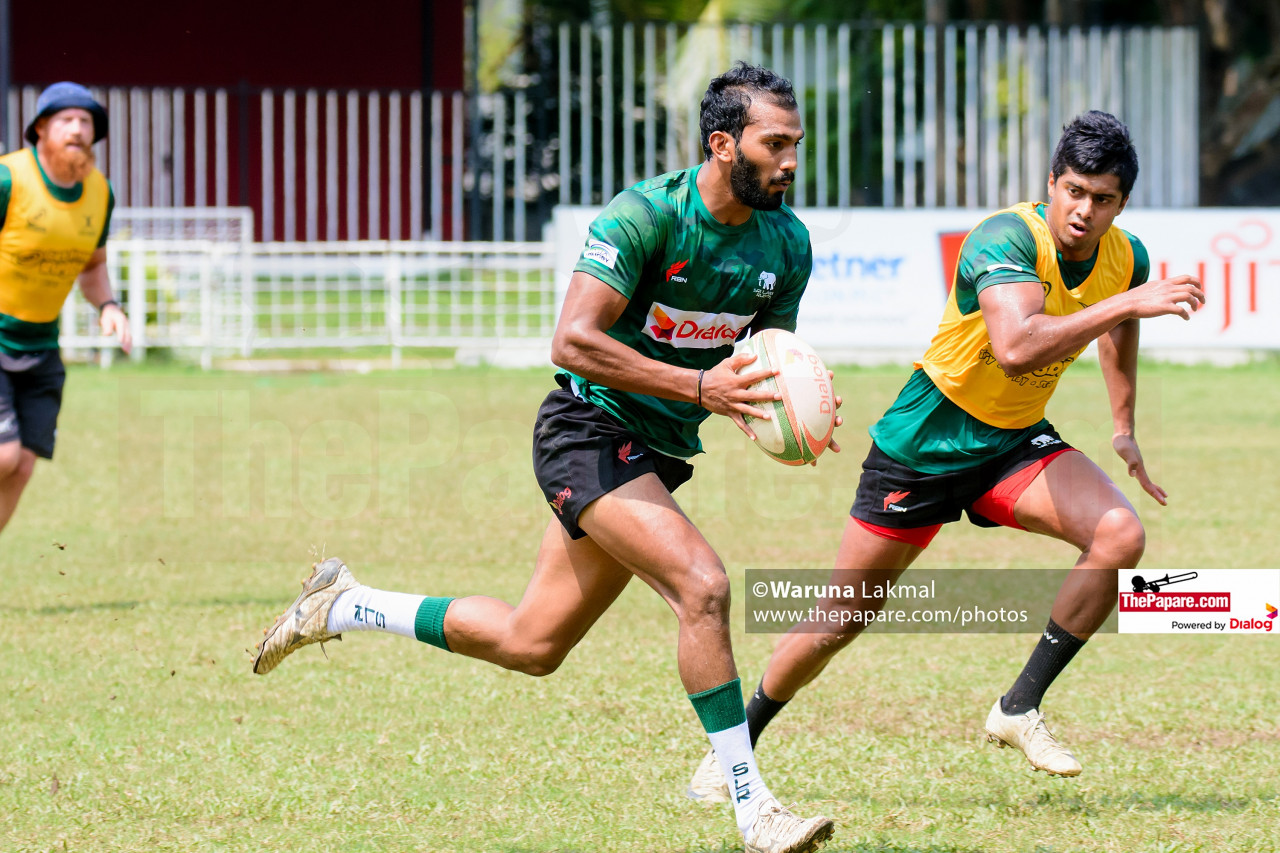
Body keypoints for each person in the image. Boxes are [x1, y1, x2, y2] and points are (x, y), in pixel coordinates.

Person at [253, 62, 837, 853]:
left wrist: (793, 412)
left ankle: (344, 603)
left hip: (654, 452)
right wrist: (700, 384)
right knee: (702, 585)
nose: (791, 160)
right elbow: (572, 340)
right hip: (585, 431)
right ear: (723, 142)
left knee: (533, 643)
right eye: (776, 144)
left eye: (797, 143)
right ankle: (751, 807)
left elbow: (766, 355)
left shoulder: (787, 243)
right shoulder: (645, 216)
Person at [687, 110, 1204, 802]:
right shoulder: (1003, 238)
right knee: (839, 621)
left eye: (1102, 198)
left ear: (1122, 203)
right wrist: (1128, 304)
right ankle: (733, 749)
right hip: (922, 448)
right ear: (1050, 183)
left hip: (1011, 445)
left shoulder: (1124, 258)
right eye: (1073, 191)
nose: (1083, 210)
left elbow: (1118, 327)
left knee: (1120, 533)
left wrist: (1123, 425)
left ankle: (1017, 707)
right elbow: (1018, 347)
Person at [0, 82, 131, 538]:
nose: (77, 129)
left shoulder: (100, 194)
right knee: (4, 455)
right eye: (65, 119)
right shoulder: (8, 179)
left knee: (21, 468)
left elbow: (93, 267)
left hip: (41, 348)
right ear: (40, 128)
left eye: (86, 121)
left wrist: (109, 305)